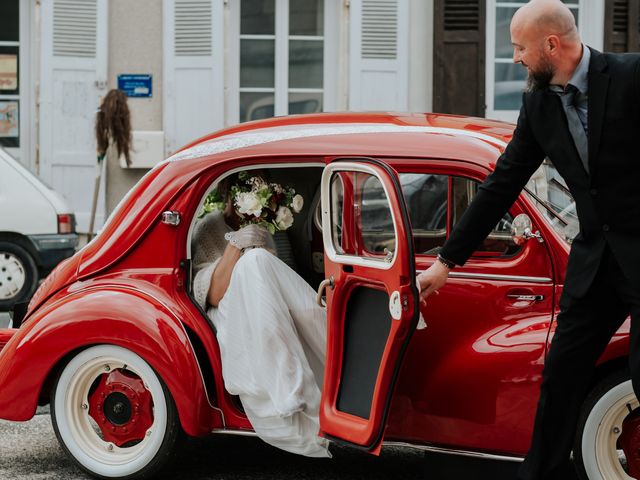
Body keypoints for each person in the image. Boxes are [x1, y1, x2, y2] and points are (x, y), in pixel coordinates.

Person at [417, 1, 640, 479]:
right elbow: (502, 183)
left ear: (550, 45)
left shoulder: (631, 74)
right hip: (596, 264)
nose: (515, 57)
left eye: (519, 47)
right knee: (560, 375)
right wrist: (446, 261)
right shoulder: (538, 103)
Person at [191, 175, 330, 458]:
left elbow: (271, 279)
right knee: (253, 262)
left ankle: (329, 371)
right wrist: (236, 245)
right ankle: (291, 384)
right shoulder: (209, 228)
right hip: (230, 311)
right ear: (229, 194)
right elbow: (214, 294)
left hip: (264, 306)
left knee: (263, 266)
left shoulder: (267, 231)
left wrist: (258, 236)